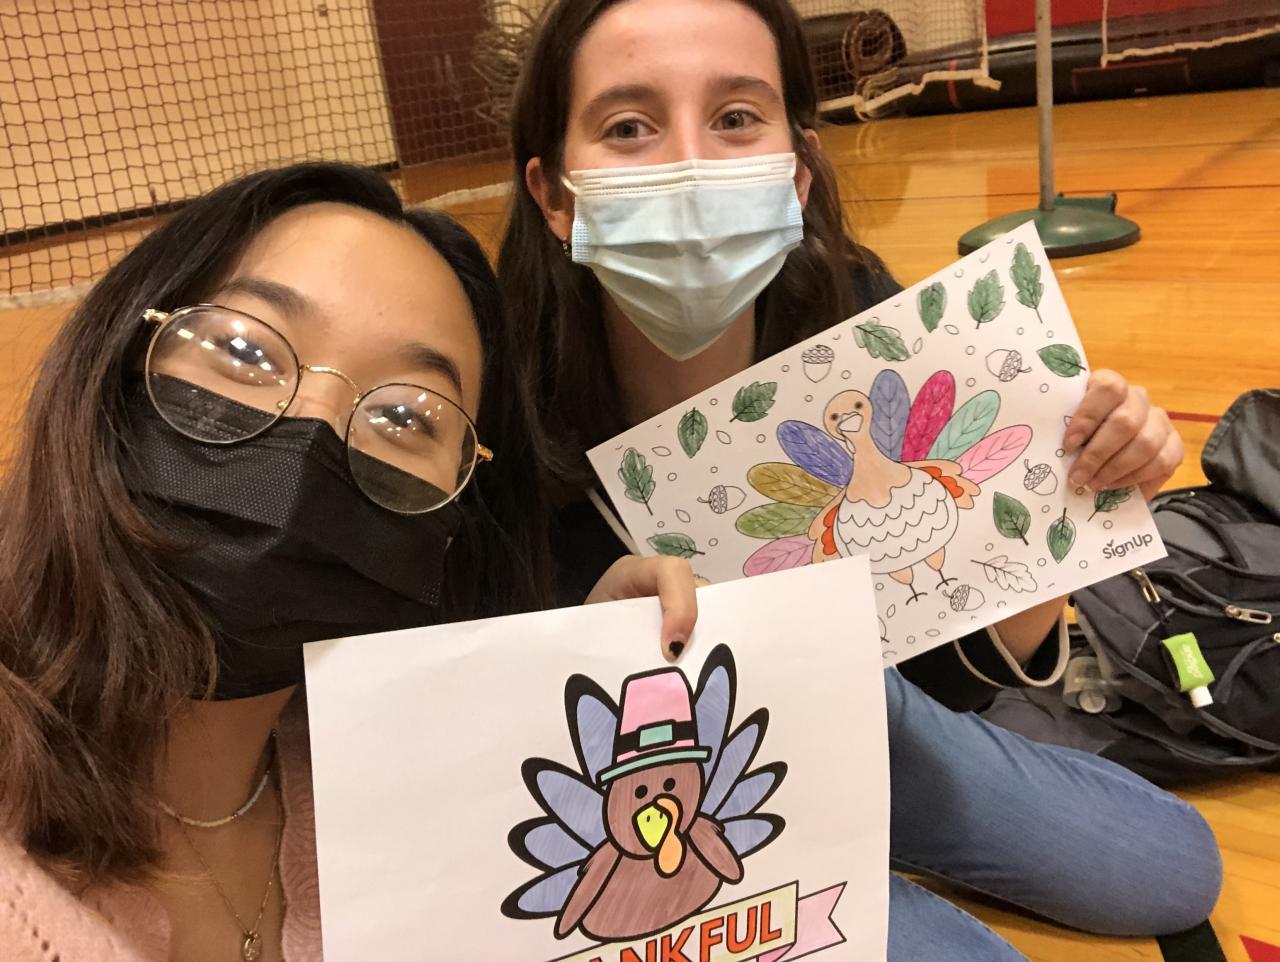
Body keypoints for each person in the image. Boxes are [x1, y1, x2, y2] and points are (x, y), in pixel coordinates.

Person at [496, 0, 1222, 956]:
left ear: (798, 171)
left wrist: (1065, 499)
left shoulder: (862, 323)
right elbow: (498, 754)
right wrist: (588, 643)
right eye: (629, 127)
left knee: (1175, 867)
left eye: (736, 117)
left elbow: (966, 675)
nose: (693, 165)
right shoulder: (499, 406)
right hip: (647, 798)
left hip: (856, 706)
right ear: (555, 194)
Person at [0, 162, 699, 961]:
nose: (311, 439)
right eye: (243, 350)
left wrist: (562, 684)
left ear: (455, 521)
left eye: (405, 417)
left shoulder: (388, 781)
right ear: (117, 362)